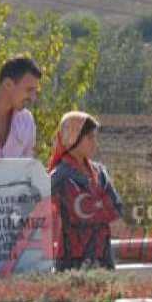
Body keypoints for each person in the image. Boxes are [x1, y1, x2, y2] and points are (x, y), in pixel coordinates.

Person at [48, 111, 124, 271]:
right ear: (73, 138)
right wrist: (99, 207)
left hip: (103, 257)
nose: (95, 143)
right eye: (89, 137)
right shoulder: (59, 177)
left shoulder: (100, 172)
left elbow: (116, 207)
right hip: (72, 261)